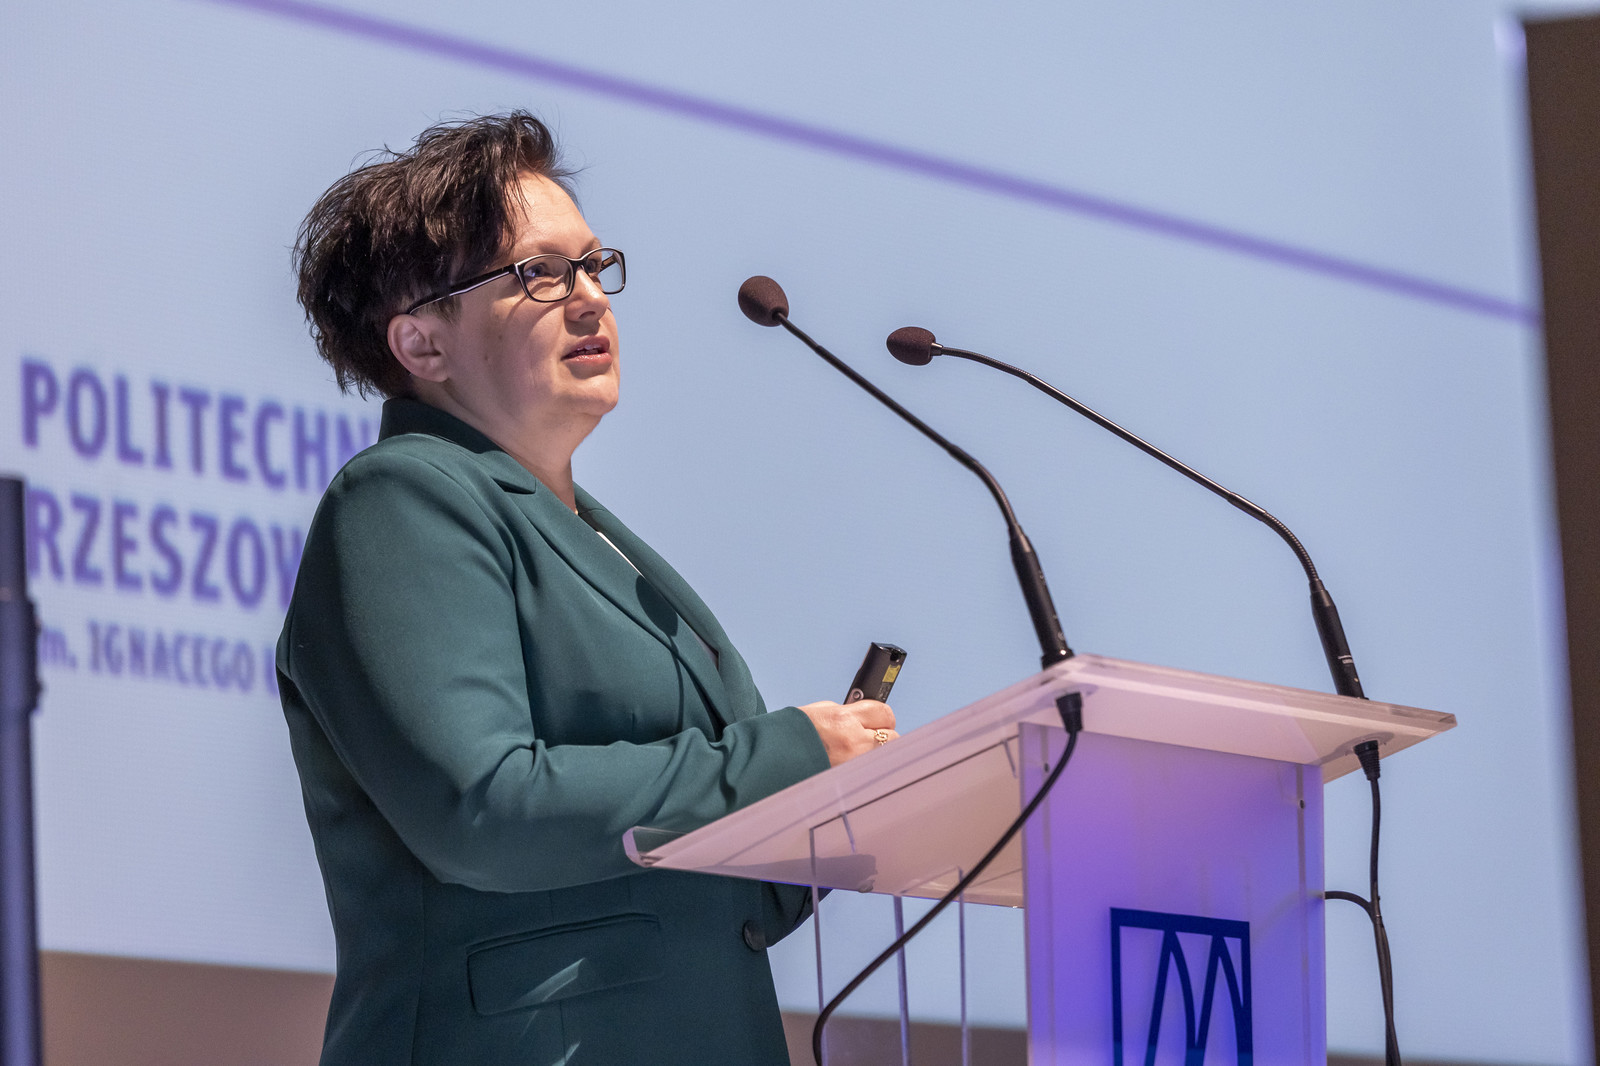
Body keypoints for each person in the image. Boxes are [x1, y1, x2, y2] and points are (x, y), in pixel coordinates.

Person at [278, 111, 897, 1066]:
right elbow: (483, 808)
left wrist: (832, 809)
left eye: (593, 265)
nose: (589, 298)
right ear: (421, 343)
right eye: (539, 273)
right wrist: (784, 755)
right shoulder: (403, 498)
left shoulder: (598, 538)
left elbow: (710, 889)